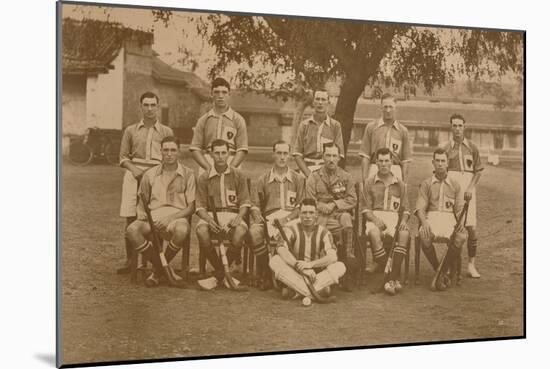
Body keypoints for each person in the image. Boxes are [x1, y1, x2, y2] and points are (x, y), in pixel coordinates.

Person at [125, 136, 195, 287]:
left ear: (179, 152)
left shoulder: (188, 174)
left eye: (173, 150)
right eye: (166, 150)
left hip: (177, 215)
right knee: (131, 230)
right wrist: (142, 212)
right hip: (153, 215)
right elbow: (142, 200)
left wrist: (170, 218)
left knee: (183, 230)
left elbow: (191, 207)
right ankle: (165, 269)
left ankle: (157, 272)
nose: (169, 154)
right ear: (161, 152)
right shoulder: (149, 174)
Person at [117, 91, 174, 274]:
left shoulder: (166, 131)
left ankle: (158, 260)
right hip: (134, 176)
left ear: (158, 107)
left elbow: (169, 157)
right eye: (146, 105)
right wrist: (136, 171)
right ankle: (130, 260)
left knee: (157, 216)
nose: (149, 109)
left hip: (158, 177)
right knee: (131, 216)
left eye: (153, 105)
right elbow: (123, 157)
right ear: (140, 107)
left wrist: (155, 176)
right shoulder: (131, 130)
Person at [248, 141, 306, 289]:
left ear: (290, 156)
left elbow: (301, 206)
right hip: (270, 219)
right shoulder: (263, 179)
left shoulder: (298, 179)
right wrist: (256, 214)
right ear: (273, 154)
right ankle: (266, 272)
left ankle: (291, 275)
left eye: (285, 153)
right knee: (254, 232)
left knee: (291, 235)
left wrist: (286, 219)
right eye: (279, 153)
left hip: (291, 219)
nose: (282, 157)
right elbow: (255, 204)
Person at [195, 139, 251, 290]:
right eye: (217, 153)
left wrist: (238, 218)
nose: (220, 156)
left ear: (229, 154)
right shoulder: (203, 178)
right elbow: (199, 206)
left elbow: (245, 202)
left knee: (240, 231)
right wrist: (209, 220)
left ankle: (217, 275)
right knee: (201, 231)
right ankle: (224, 273)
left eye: (223, 153)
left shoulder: (238, 175)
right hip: (211, 216)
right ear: (211, 155)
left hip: (233, 214)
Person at [269, 198, 346, 305]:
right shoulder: (290, 229)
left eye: (311, 212)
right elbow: (281, 249)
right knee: (275, 260)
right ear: (299, 214)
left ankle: (296, 291)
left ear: (316, 215)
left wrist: (310, 265)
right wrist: (298, 266)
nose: (308, 216)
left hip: (315, 275)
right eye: (304, 213)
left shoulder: (324, 232)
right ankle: (316, 292)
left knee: (340, 266)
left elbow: (332, 257)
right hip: (294, 273)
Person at [305, 143, 358, 291]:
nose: (331, 159)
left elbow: (352, 199)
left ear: (339, 158)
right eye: (328, 155)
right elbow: (309, 199)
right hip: (320, 216)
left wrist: (334, 204)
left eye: (334, 156)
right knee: (320, 231)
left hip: (338, 214)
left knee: (347, 218)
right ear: (323, 157)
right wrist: (320, 206)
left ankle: (347, 259)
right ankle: (320, 270)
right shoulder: (314, 176)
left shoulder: (346, 177)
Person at [415, 148, 468, 291]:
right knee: (424, 235)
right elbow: (420, 208)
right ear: (433, 163)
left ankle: (440, 272)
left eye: (442, 161)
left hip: (449, 219)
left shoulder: (455, 185)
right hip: (431, 217)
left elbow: (459, 209)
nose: (440, 164)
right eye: (437, 161)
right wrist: (424, 222)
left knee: (462, 235)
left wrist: (461, 224)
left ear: (447, 163)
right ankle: (441, 270)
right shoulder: (426, 184)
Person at [360, 148, 410, 295]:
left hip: (394, 217)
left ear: (392, 162)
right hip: (375, 217)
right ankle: (392, 277)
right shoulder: (370, 182)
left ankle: (390, 277)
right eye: (380, 161)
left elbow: (406, 209)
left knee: (404, 233)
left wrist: (404, 221)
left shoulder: (400, 184)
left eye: (386, 161)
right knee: (375, 234)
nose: (383, 164)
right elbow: (365, 209)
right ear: (376, 163)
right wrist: (375, 219)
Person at [440, 114, 483, 278]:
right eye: (454, 125)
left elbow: (478, 170)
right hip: (451, 188)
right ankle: (450, 264)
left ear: (464, 127)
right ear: (450, 127)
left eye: (460, 126)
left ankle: (471, 264)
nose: (457, 129)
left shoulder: (472, 147)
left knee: (471, 227)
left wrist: (471, 187)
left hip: (468, 189)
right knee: (452, 227)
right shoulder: (445, 148)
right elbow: (440, 170)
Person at [189, 77, 248, 173]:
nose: (220, 96)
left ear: (229, 94)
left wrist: (230, 169)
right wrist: (209, 168)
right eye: (217, 92)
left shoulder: (238, 119)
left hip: (231, 160)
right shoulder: (203, 120)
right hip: (208, 160)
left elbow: (242, 149)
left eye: (224, 92)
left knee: (230, 187)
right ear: (211, 94)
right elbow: (195, 148)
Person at [359, 93, 412, 183]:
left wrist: (405, 183)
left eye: (391, 107)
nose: (388, 110)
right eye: (385, 107)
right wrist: (365, 180)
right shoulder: (371, 127)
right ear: (381, 108)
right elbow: (365, 156)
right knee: (374, 196)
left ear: (396, 108)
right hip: (375, 167)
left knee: (394, 197)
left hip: (395, 169)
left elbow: (405, 160)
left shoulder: (403, 131)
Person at [293, 90, 345, 176]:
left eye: (323, 99)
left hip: (328, 170)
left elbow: (339, 155)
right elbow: (297, 154)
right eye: (317, 99)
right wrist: (309, 175)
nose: (320, 102)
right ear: (313, 102)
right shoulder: (304, 125)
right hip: (307, 169)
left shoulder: (335, 126)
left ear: (328, 102)